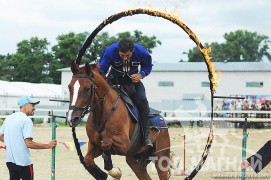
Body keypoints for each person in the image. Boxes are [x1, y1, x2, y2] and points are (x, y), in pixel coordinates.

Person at [99, 38, 153, 148]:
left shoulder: (142, 52)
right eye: (122, 55)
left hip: (133, 82)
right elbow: (101, 70)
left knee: (142, 100)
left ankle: (146, 136)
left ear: (133, 51)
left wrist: (141, 74)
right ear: (118, 50)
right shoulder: (110, 51)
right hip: (114, 80)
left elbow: (148, 66)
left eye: (127, 55)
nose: (124, 58)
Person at [0, 96, 57, 180]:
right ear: (25, 106)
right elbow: (29, 143)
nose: (35, 108)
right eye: (33, 105)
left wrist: (13, 143)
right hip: (24, 162)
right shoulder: (26, 120)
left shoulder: (8, 118)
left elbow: (1, 136)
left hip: (10, 161)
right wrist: (48, 146)